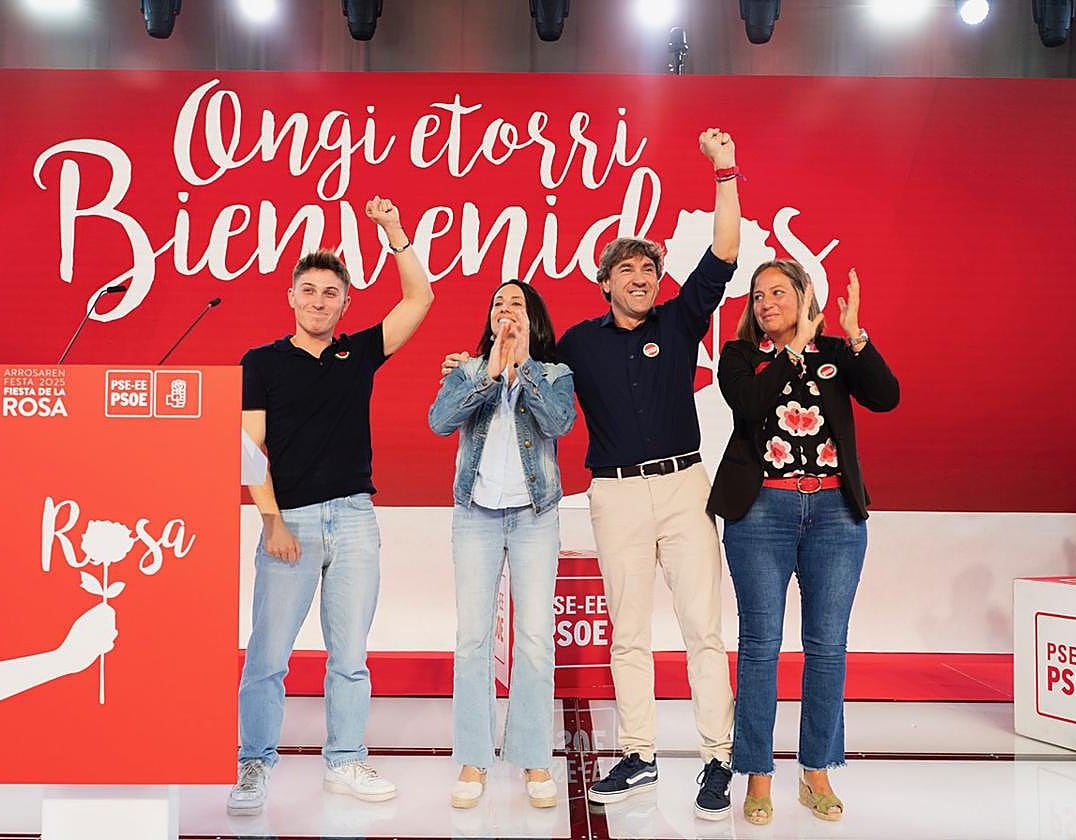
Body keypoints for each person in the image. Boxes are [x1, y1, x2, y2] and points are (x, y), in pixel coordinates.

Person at [441, 127, 743, 819]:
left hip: (683, 485)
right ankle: (639, 754)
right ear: (604, 281)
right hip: (612, 494)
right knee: (629, 631)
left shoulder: (682, 318)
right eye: (627, 272)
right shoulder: (576, 343)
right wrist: (473, 362)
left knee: (702, 626)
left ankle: (717, 758)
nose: (641, 280)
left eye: (650, 271)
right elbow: (527, 361)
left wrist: (724, 171)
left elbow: (724, 250)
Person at [227, 196, 434, 817]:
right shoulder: (261, 363)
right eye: (309, 291)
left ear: (346, 304)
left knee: (350, 656)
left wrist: (395, 231)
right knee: (267, 656)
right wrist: (271, 521)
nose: (319, 302)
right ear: (291, 297)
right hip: (287, 520)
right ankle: (253, 766)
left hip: (353, 517)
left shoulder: (357, 354)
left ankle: (345, 761)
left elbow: (419, 300)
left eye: (331, 294)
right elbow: (249, 447)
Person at [708, 262, 898, 825]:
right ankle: (758, 776)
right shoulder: (743, 356)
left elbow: (886, 396)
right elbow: (751, 404)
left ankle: (816, 771)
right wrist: (794, 352)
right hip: (761, 511)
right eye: (758, 295)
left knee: (827, 646)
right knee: (761, 645)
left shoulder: (837, 353)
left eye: (778, 292)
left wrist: (856, 336)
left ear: (803, 296)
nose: (766, 302)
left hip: (836, 514)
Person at [428, 280, 575, 810]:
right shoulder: (469, 370)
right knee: (473, 639)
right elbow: (439, 422)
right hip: (476, 516)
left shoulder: (555, 374)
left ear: (533, 319)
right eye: (497, 304)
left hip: (535, 516)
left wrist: (522, 369)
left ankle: (533, 756)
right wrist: (489, 373)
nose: (504, 310)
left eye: (515, 304)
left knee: (534, 638)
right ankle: (474, 757)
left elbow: (559, 422)